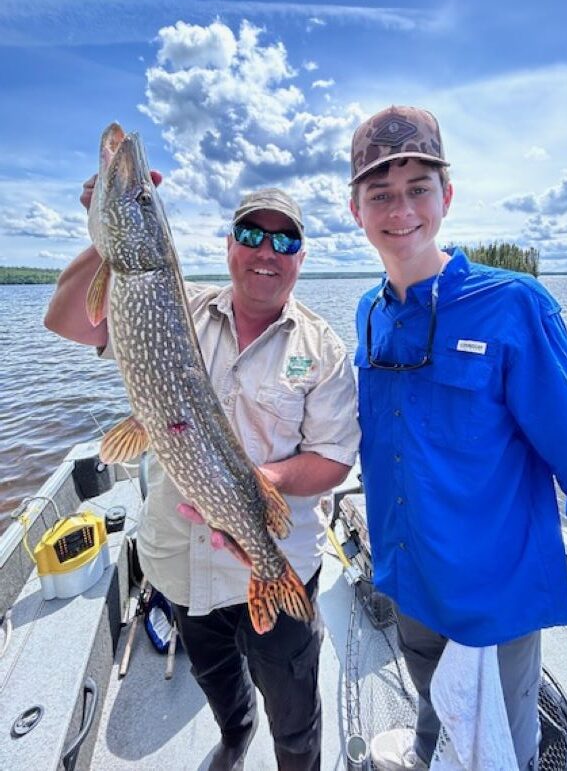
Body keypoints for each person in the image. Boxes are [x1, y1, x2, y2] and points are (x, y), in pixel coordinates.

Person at [348, 105, 567, 770]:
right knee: (434, 706)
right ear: (356, 209)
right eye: (381, 193)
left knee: (494, 749)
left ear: (446, 196)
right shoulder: (371, 313)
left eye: (418, 189)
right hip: (406, 582)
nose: (401, 210)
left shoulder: (515, 306)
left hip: (490, 605)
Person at [45, 180, 360, 771]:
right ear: (229, 245)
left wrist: (259, 482)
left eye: (284, 238)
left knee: (294, 714)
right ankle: (236, 738)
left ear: (300, 255)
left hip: (281, 556)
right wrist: (102, 237)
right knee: (219, 686)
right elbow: (64, 319)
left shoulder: (323, 348)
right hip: (181, 566)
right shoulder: (169, 304)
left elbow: (335, 459)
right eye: (251, 233)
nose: (266, 249)